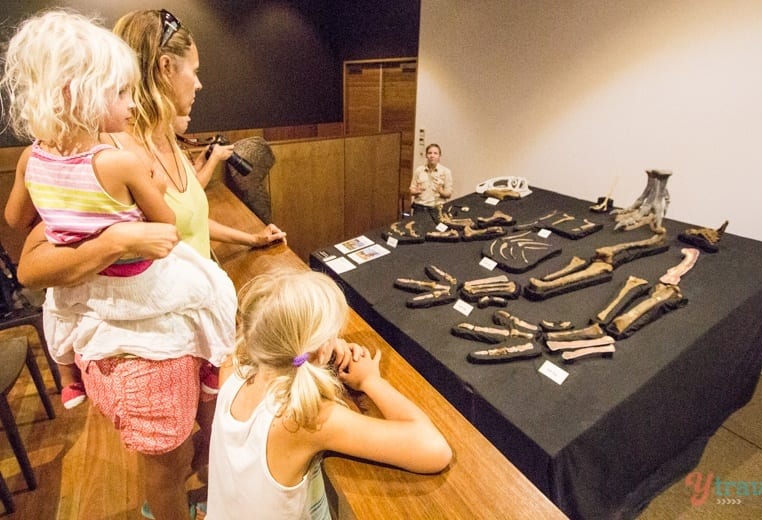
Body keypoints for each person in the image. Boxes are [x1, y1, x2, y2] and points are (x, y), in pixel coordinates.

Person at [12, 8, 284, 519]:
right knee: (170, 466)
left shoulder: (166, 138)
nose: (200, 83)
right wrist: (117, 239)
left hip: (188, 315)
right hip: (152, 333)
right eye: (195, 70)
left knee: (206, 443)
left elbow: (184, 215)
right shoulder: (101, 149)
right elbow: (30, 264)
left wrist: (248, 237)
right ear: (164, 68)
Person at [1, 10, 235, 413]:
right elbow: (164, 225)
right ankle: (216, 362)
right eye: (120, 92)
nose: (199, 83)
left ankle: (68, 380)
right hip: (147, 310)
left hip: (124, 310)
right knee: (217, 289)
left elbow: (17, 219)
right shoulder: (113, 157)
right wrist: (118, 235)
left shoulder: (34, 158)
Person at [207, 269, 452, 519]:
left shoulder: (232, 367)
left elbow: (273, 346)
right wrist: (371, 380)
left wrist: (321, 349)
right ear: (321, 348)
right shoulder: (303, 418)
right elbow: (434, 450)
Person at [408, 143, 453, 213]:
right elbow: (411, 190)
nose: (432, 156)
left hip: (437, 208)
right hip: (419, 208)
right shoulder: (419, 170)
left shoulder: (446, 172)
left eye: (435, 153)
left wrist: (440, 190)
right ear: (426, 155)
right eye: (429, 153)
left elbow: (448, 194)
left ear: (439, 156)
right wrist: (417, 191)